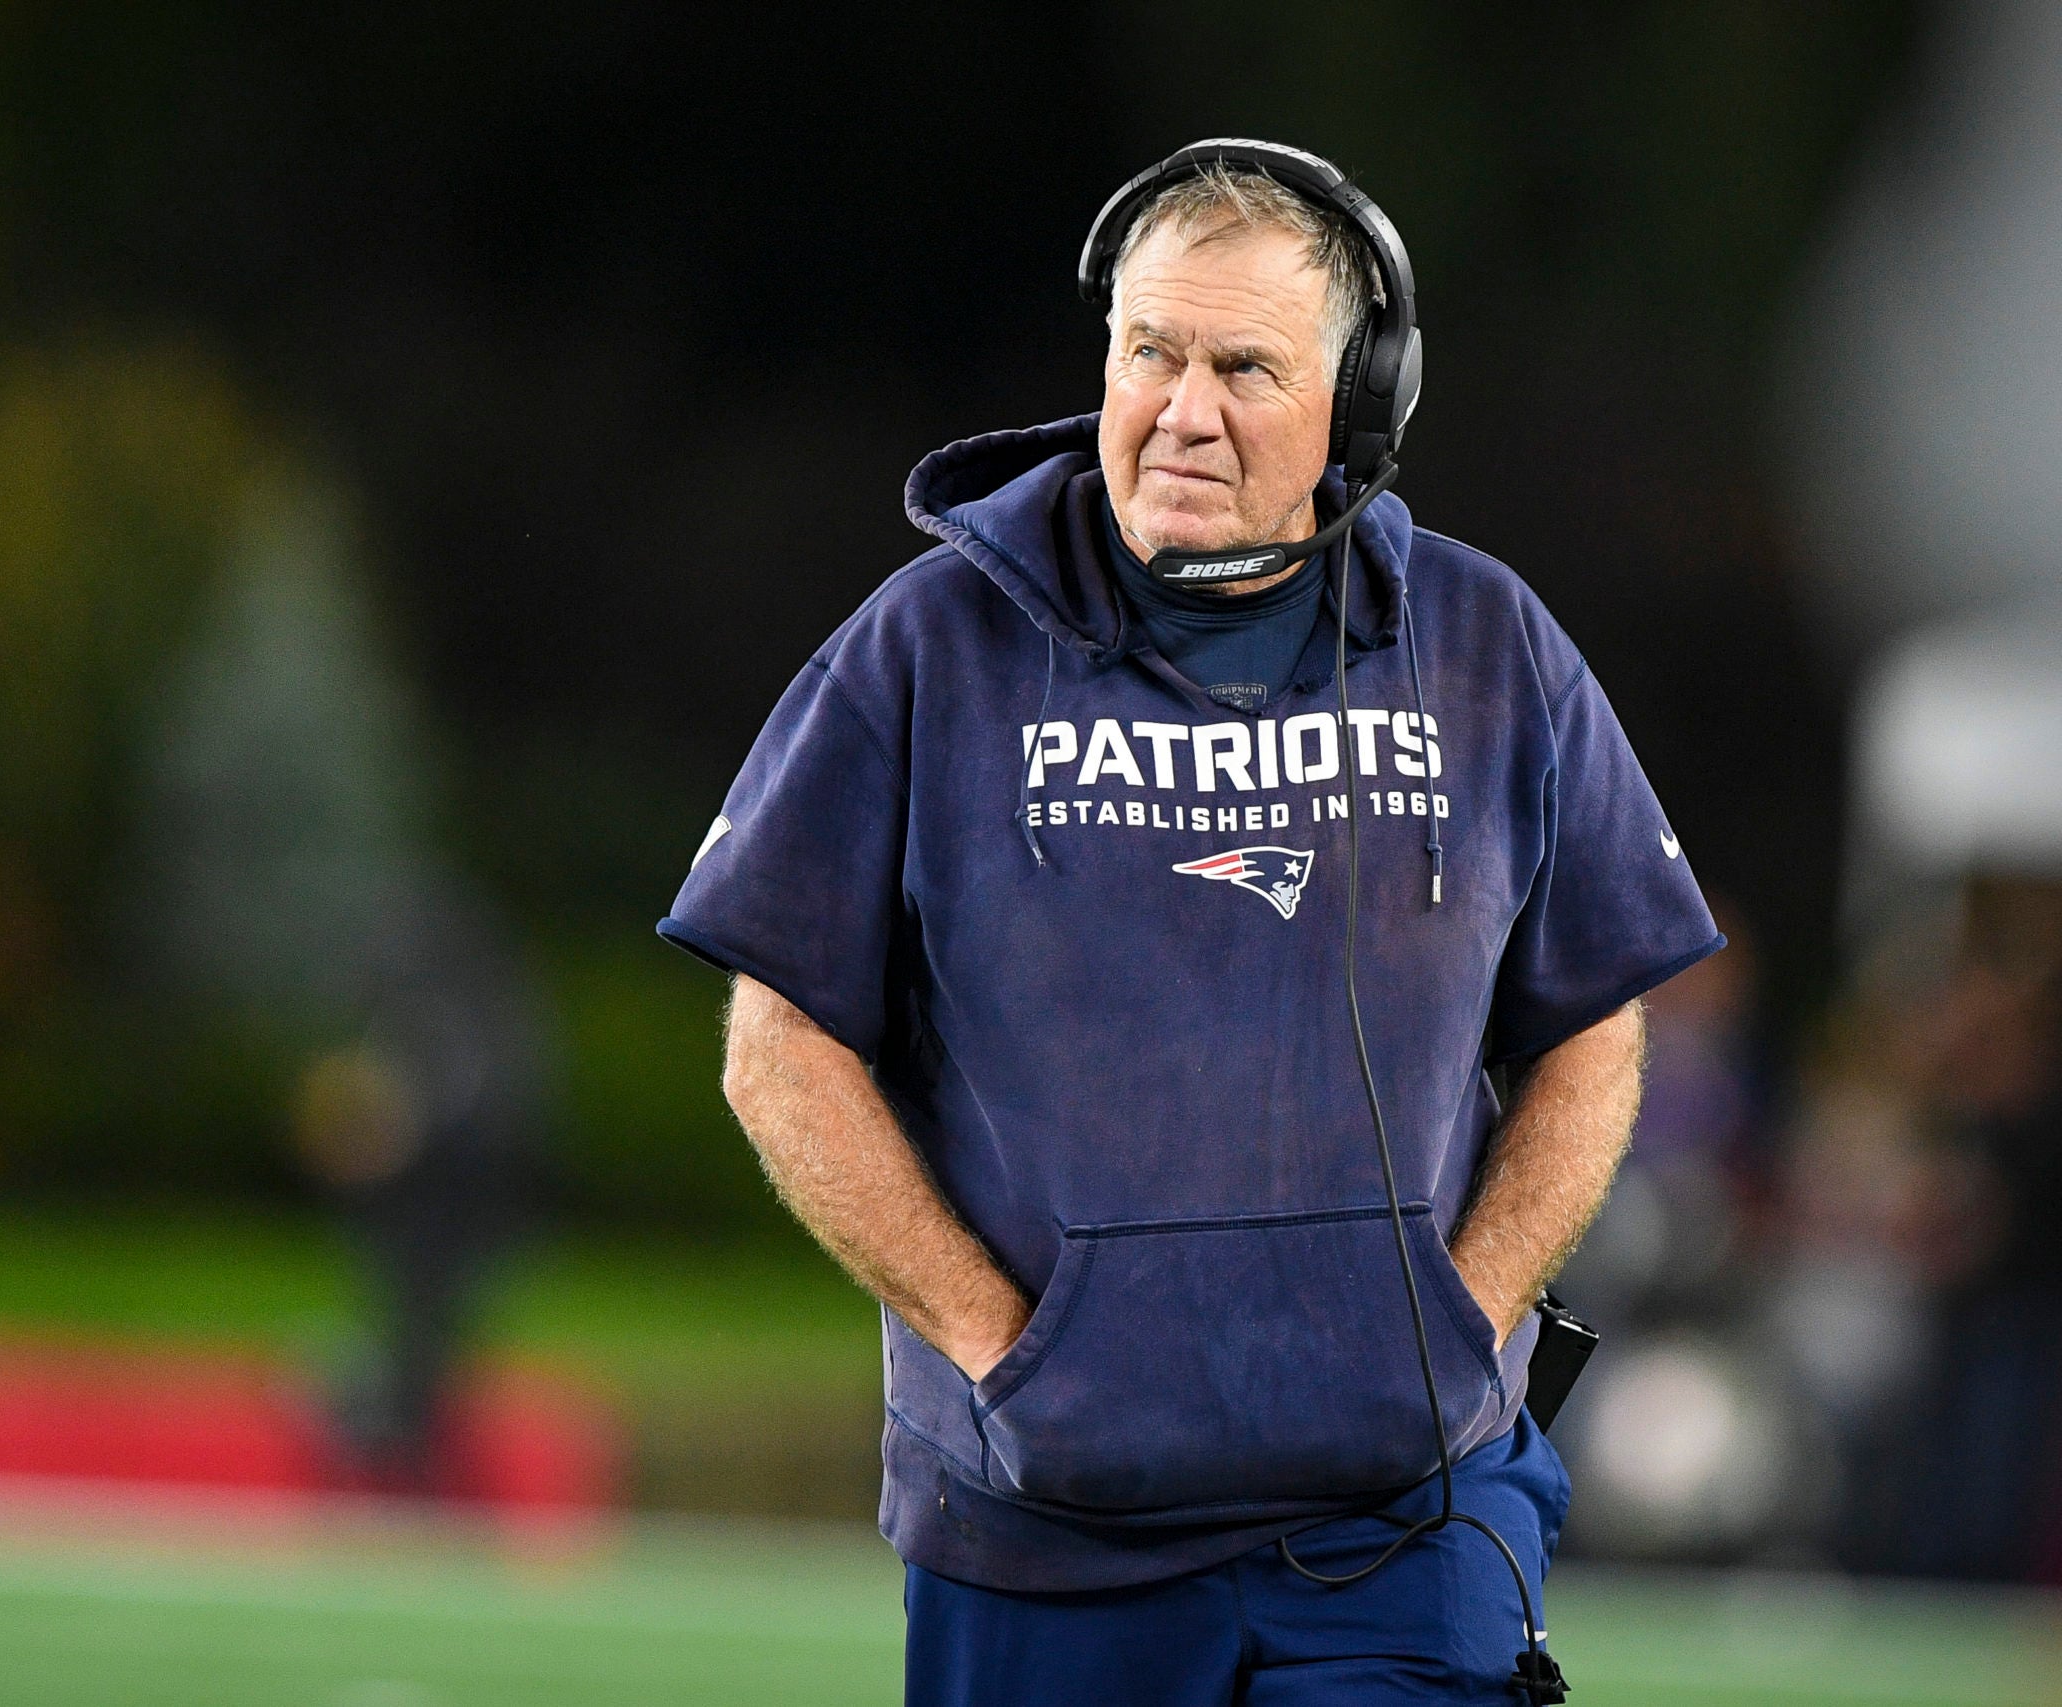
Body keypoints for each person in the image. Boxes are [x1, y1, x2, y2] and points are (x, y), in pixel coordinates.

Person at [661, 141, 1721, 1704]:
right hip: (1037, 1541)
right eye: (1150, 351)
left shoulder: (1488, 647)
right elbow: (779, 1045)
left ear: (1361, 406)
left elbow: (1591, 1023)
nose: (1183, 408)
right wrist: (993, 1342)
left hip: (1403, 1534)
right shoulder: (930, 647)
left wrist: (1467, 1313)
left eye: (1244, 366)